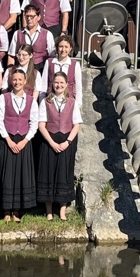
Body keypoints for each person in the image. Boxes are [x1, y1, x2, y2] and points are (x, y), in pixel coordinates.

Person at [0, 69, 38, 223]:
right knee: (7, 175)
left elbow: (34, 123)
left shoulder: (31, 100)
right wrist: (8, 140)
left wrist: (25, 140)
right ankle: (6, 210)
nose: (17, 82)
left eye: (20, 80)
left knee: (20, 176)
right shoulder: (3, 98)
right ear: (11, 81)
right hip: (7, 140)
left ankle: (17, 210)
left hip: (24, 141)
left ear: (25, 81)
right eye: (15, 80)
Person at [37, 71, 82, 220]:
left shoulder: (72, 102)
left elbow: (76, 125)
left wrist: (67, 142)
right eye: (56, 82)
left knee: (64, 174)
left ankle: (62, 211)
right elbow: (41, 125)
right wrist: (51, 142)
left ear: (66, 85)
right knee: (48, 173)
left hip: (67, 140)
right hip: (49, 140)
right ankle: (49, 211)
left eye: (62, 83)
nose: (59, 85)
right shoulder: (46, 102)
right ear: (52, 84)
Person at [7, 5, 56, 72]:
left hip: (40, 69)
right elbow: (11, 55)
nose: (29, 19)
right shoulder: (17, 33)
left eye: (32, 16)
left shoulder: (47, 34)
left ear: (38, 17)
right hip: (21, 70)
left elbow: (51, 57)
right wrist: (10, 72)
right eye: (27, 16)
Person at [41, 35, 82, 104]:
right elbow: (44, 84)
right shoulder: (49, 62)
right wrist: (42, 101)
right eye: (61, 46)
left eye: (66, 47)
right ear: (57, 48)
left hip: (68, 102)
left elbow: (78, 87)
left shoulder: (75, 65)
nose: (63, 50)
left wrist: (78, 104)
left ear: (70, 48)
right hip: (51, 101)